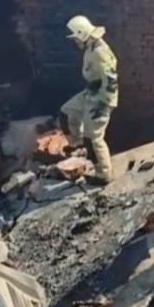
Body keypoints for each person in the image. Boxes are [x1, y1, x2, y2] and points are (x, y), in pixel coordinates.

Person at [59, 15, 119, 185]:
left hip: (101, 98)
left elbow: (111, 80)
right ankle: (76, 142)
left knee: (93, 138)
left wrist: (103, 104)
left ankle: (104, 174)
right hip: (90, 93)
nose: (76, 42)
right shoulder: (90, 47)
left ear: (83, 34)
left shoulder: (100, 52)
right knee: (66, 112)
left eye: (76, 38)